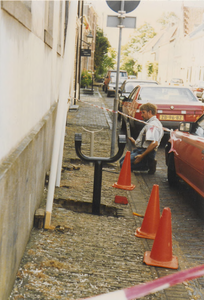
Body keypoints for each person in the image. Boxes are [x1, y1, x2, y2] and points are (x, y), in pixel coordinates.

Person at [120, 103, 164, 174]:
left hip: (144, 152)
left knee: (123, 164)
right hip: (140, 149)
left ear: (149, 112)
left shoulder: (152, 125)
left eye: (143, 112)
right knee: (122, 161)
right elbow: (147, 142)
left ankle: (148, 164)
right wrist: (135, 142)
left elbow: (154, 143)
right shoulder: (153, 122)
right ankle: (148, 163)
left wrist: (142, 156)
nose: (141, 115)